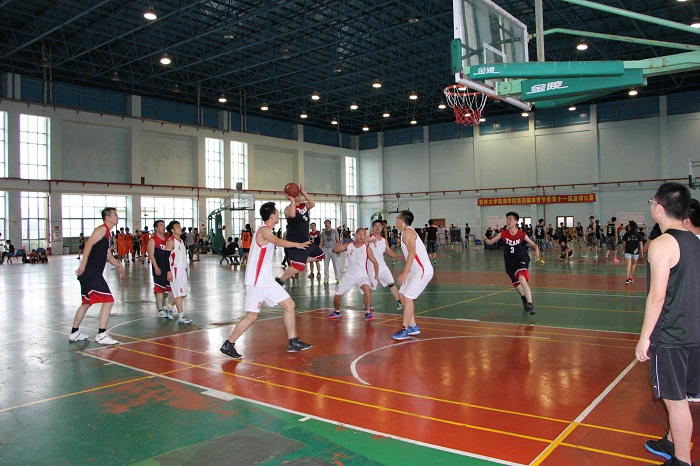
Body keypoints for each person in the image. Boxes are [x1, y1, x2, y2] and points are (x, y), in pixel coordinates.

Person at [635, 183, 699, 466]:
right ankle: (671, 442)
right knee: (681, 394)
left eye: (652, 202)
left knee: (675, 401)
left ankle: (682, 461)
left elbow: (657, 296)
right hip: (694, 333)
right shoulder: (695, 242)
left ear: (659, 208)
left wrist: (645, 337)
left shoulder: (661, 244)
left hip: (672, 336)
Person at [220, 202, 313, 360]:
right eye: (277, 212)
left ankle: (293, 341)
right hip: (257, 281)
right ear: (271, 216)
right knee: (252, 316)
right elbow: (277, 242)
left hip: (267, 280)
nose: (278, 214)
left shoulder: (268, 231)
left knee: (289, 305)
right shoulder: (263, 230)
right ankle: (229, 344)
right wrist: (297, 244)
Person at [69, 207, 125, 345]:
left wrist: (119, 265)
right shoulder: (102, 229)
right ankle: (101, 334)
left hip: (90, 273)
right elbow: (88, 245)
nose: (117, 216)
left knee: (86, 303)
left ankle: (74, 333)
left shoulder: (107, 234)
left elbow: (107, 255)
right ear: (108, 217)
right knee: (108, 300)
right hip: (91, 272)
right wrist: (83, 265)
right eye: (114, 214)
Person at [482, 211, 540, 315]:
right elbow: (491, 242)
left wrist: (537, 249)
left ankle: (530, 303)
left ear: (516, 221)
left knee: (522, 279)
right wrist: (486, 240)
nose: (508, 221)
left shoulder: (522, 234)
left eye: (510, 219)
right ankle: (524, 298)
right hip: (510, 263)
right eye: (507, 219)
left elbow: (533, 244)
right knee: (517, 286)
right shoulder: (503, 233)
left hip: (521, 260)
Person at [391, 210, 434, 340]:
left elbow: (412, 252)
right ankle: (413, 326)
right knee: (401, 295)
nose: (396, 220)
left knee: (408, 298)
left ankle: (404, 329)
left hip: (422, 270)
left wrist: (405, 272)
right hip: (414, 270)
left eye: (397, 217)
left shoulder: (408, 232)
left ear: (402, 220)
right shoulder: (404, 233)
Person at [328, 228, 380, 321]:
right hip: (349, 276)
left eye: (363, 235)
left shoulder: (367, 249)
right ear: (355, 235)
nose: (361, 236)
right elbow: (338, 248)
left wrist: (376, 275)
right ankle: (337, 311)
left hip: (362, 276)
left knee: (367, 289)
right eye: (359, 234)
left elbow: (375, 262)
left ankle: (368, 312)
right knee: (337, 296)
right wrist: (336, 248)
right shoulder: (349, 245)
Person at [276, 183, 325, 285]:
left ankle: (298, 261)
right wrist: (292, 199)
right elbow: (292, 214)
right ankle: (281, 280)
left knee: (320, 255)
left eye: (298, 194)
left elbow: (312, 204)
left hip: (304, 240)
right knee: (299, 266)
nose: (298, 195)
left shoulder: (304, 205)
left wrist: (303, 192)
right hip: (294, 240)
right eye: (295, 194)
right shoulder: (288, 208)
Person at [366, 219, 404, 312]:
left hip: (383, 267)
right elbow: (361, 242)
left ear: (382, 228)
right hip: (371, 267)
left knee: (391, 283)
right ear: (372, 227)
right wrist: (367, 241)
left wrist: (398, 255)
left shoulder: (384, 241)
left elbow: (389, 251)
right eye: (375, 225)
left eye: (379, 226)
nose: (377, 227)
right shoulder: (368, 238)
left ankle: (398, 301)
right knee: (370, 288)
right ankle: (368, 304)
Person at [165, 221, 192, 324]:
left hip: (182, 269)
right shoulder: (171, 241)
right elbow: (165, 258)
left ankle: (168, 308)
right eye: (177, 227)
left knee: (183, 294)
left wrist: (186, 269)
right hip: (175, 269)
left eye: (180, 226)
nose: (180, 228)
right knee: (179, 294)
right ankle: (181, 316)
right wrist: (168, 272)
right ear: (172, 230)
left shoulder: (181, 240)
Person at [147, 220, 175, 318]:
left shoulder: (168, 239)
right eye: (161, 225)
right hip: (159, 267)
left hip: (168, 267)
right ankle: (160, 310)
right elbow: (151, 254)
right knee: (160, 289)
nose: (163, 227)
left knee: (170, 288)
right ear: (156, 228)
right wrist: (156, 267)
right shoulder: (153, 240)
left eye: (164, 225)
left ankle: (169, 308)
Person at [622, 221, 643, 285]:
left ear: (631, 227)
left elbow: (624, 244)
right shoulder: (638, 235)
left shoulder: (626, 234)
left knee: (628, 265)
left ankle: (627, 278)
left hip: (628, 251)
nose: (628, 226)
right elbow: (641, 244)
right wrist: (642, 252)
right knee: (633, 264)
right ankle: (630, 277)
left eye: (628, 225)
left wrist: (623, 250)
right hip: (635, 252)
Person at [320, 219, 341, 284]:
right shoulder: (323, 233)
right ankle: (326, 278)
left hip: (333, 249)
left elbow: (337, 241)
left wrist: (338, 249)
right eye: (325, 223)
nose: (326, 225)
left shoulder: (334, 232)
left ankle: (338, 278)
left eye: (328, 223)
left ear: (330, 224)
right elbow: (321, 242)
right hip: (325, 249)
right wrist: (319, 251)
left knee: (335, 264)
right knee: (326, 264)